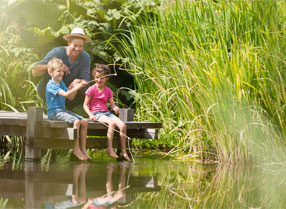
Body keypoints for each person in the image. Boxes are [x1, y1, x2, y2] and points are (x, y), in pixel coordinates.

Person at [32, 27, 91, 110]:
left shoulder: (85, 57)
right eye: (75, 45)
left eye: (80, 46)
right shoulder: (57, 52)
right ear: (69, 43)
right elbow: (35, 71)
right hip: (48, 91)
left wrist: (77, 83)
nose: (77, 49)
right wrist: (55, 65)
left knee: (87, 91)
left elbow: (86, 81)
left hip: (68, 94)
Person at [83, 64, 131, 162]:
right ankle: (109, 149)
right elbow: (85, 105)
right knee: (112, 123)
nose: (99, 80)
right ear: (94, 77)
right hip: (96, 113)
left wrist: (115, 108)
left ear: (107, 78)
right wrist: (90, 115)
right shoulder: (91, 89)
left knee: (123, 126)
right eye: (96, 77)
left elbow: (112, 105)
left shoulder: (108, 91)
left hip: (106, 113)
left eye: (101, 78)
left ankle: (123, 151)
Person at [46, 57, 91, 161]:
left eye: (62, 71)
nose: (61, 73)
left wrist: (76, 86)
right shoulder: (51, 85)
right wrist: (77, 87)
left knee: (84, 122)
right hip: (54, 112)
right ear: (50, 72)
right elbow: (66, 94)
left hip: (62, 110)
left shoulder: (61, 83)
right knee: (76, 122)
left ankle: (83, 149)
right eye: (58, 71)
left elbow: (71, 97)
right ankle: (75, 149)